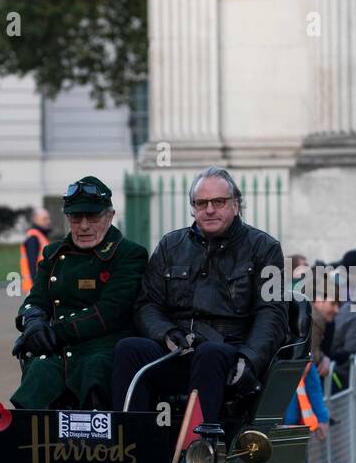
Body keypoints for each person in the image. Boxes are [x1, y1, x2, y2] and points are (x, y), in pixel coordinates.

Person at [112, 166, 288, 422]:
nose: (209, 209)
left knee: (210, 354)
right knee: (130, 349)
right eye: (201, 202)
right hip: (178, 348)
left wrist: (248, 360)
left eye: (219, 201)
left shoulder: (265, 248)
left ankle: (198, 452)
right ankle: (130, 446)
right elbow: (147, 304)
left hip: (229, 354)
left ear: (236, 205)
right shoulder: (170, 246)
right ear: (192, 207)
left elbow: (271, 313)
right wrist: (166, 334)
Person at [10, 178, 148, 410]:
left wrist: (53, 332)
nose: (84, 226)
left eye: (92, 217)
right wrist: (33, 322)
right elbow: (36, 300)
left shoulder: (129, 254)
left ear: (110, 216)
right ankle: (29, 442)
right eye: (76, 217)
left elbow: (111, 311)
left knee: (93, 373)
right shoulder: (53, 254)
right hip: (59, 352)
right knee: (38, 375)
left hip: (104, 350)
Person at [19, 207, 52, 294]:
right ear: (35, 220)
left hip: (39, 285)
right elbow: (32, 265)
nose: (48, 222)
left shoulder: (39, 236)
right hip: (35, 287)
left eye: (48, 218)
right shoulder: (33, 238)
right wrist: (37, 287)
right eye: (44, 219)